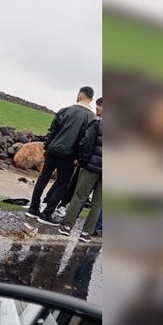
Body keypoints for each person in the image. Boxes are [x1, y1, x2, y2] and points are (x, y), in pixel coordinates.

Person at [26, 87, 97, 225]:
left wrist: (47, 146)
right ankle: (47, 213)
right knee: (62, 184)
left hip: (53, 149)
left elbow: (52, 129)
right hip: (69, 155)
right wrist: (79, 158)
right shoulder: (91, 118)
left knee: (43, 178)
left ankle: (33, 208)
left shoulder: (64, 110)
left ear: (79, 95)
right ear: (91, 99)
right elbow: (85, 140)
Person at [59, 97, 103, 242]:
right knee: (98, 203)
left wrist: (82, 160)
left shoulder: (97, 124)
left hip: (91, 166)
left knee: (79, 196)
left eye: (99, 107)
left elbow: (87, 143)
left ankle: (66, 226)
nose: (97, 109)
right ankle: (86, 233)